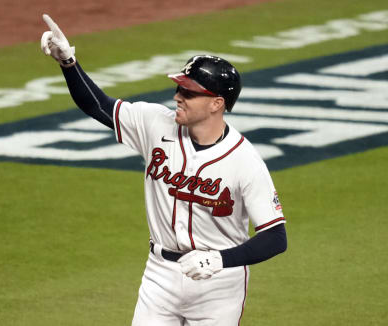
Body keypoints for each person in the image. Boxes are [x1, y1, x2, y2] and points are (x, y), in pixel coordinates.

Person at [41, 14, 287, 326]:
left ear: (217, 104)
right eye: (179, 89)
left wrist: (221, 259)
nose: (177, 97)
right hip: (160, 275)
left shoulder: (245, 160)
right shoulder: (155, 123)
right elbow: (98, 106)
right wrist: (68, 62)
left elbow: (276, 237)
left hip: (219, 284)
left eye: (189, 92)